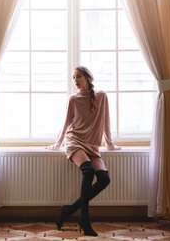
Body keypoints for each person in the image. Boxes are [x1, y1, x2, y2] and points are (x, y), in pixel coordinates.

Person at [45, 66, 121, 236]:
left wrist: (110, 144)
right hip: (75, 142)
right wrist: (57, 144)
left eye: (78, 76)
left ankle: (69, 210)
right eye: (73, 77)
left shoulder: (101, 97)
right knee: (88, 171)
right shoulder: (72, 99)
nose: (75, 81)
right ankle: (84, 219)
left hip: (92, 145)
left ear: (88, 77)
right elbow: (65, 125)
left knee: (104, 179)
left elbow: (106, 122)